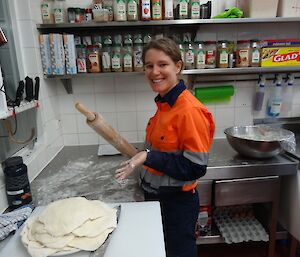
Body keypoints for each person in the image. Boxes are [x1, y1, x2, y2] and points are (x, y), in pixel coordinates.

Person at [115, 37, 215, 257]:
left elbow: (194, 167)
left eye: (162, 64)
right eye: (149, 66)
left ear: (178, 66)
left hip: (177, 204)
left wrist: (147, 157)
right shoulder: (164, 105)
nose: (154, 72)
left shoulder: (188, 110)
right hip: (156, 198)